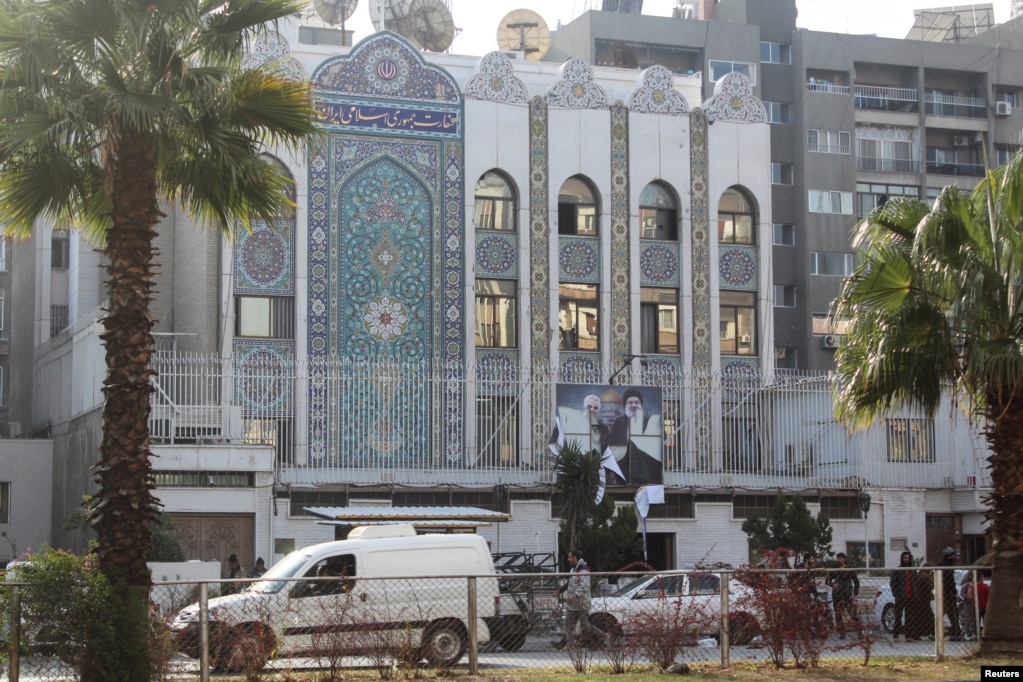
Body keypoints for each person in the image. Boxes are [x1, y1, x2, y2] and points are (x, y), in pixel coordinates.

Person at [606, 388, 662, 486]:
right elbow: (612, 447)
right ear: (625, 405)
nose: (633, 405)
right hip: (622, 470)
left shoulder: (649, 422)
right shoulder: (619, 422)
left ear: (641, 405)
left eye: (636, 402)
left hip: (644, 470)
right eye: (630, 402)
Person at [551, 550, 605, 650]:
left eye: (569, 557)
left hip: (581, 603)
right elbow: (570, 582)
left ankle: (601, 635)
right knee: (568, 624)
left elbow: (584, 586)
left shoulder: (583, 570)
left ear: (575, 557)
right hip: (573, 604)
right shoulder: (574, 570)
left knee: (585, 624)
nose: (568, 559)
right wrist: (561, 590)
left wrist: (574, 596)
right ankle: (569, 646)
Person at [828, 552, 860, 638]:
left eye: (840, 558)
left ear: (844, 559)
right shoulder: (834, 568)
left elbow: (856, 582)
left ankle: (859, 630)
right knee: (838, 613)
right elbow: (827, 580)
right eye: (837, 558)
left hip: (847, 594)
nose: (838, 560)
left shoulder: (849, 568)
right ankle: (841, 632)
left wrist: (855, 594)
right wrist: (832, 584)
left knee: (852, 612)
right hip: (837, 594)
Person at [889, 551, 915, 640]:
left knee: (909, 617)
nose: (906, 560)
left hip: (910, 596)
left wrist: (915, 593)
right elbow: (893, 583)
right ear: (902, 559)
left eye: (908, 558)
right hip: (900, 597)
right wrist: (895, 594)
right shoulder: (898, 570)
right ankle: (896, 636)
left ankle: (908, 636)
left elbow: (915, 583)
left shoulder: (912, 570)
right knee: (898, 617)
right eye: (905, 558)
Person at [939, 547, 962, 639]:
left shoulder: (940, 566)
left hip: (942, 591)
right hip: (948, 592)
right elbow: (950, 580)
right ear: (950, 556)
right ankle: (956, 631)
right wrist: (954, 592)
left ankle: (952, 630)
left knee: (944, 611)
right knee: (953, 612)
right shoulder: (948, 566)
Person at [959, 572, 989, 641]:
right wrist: (969, 598)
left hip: (976, 604)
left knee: (975, 619)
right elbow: (963, 593)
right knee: (970, 619)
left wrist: (972, 598)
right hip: (974, 604)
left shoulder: (973, 586)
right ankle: (970, 633)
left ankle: (975, 633)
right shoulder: (969, 585)